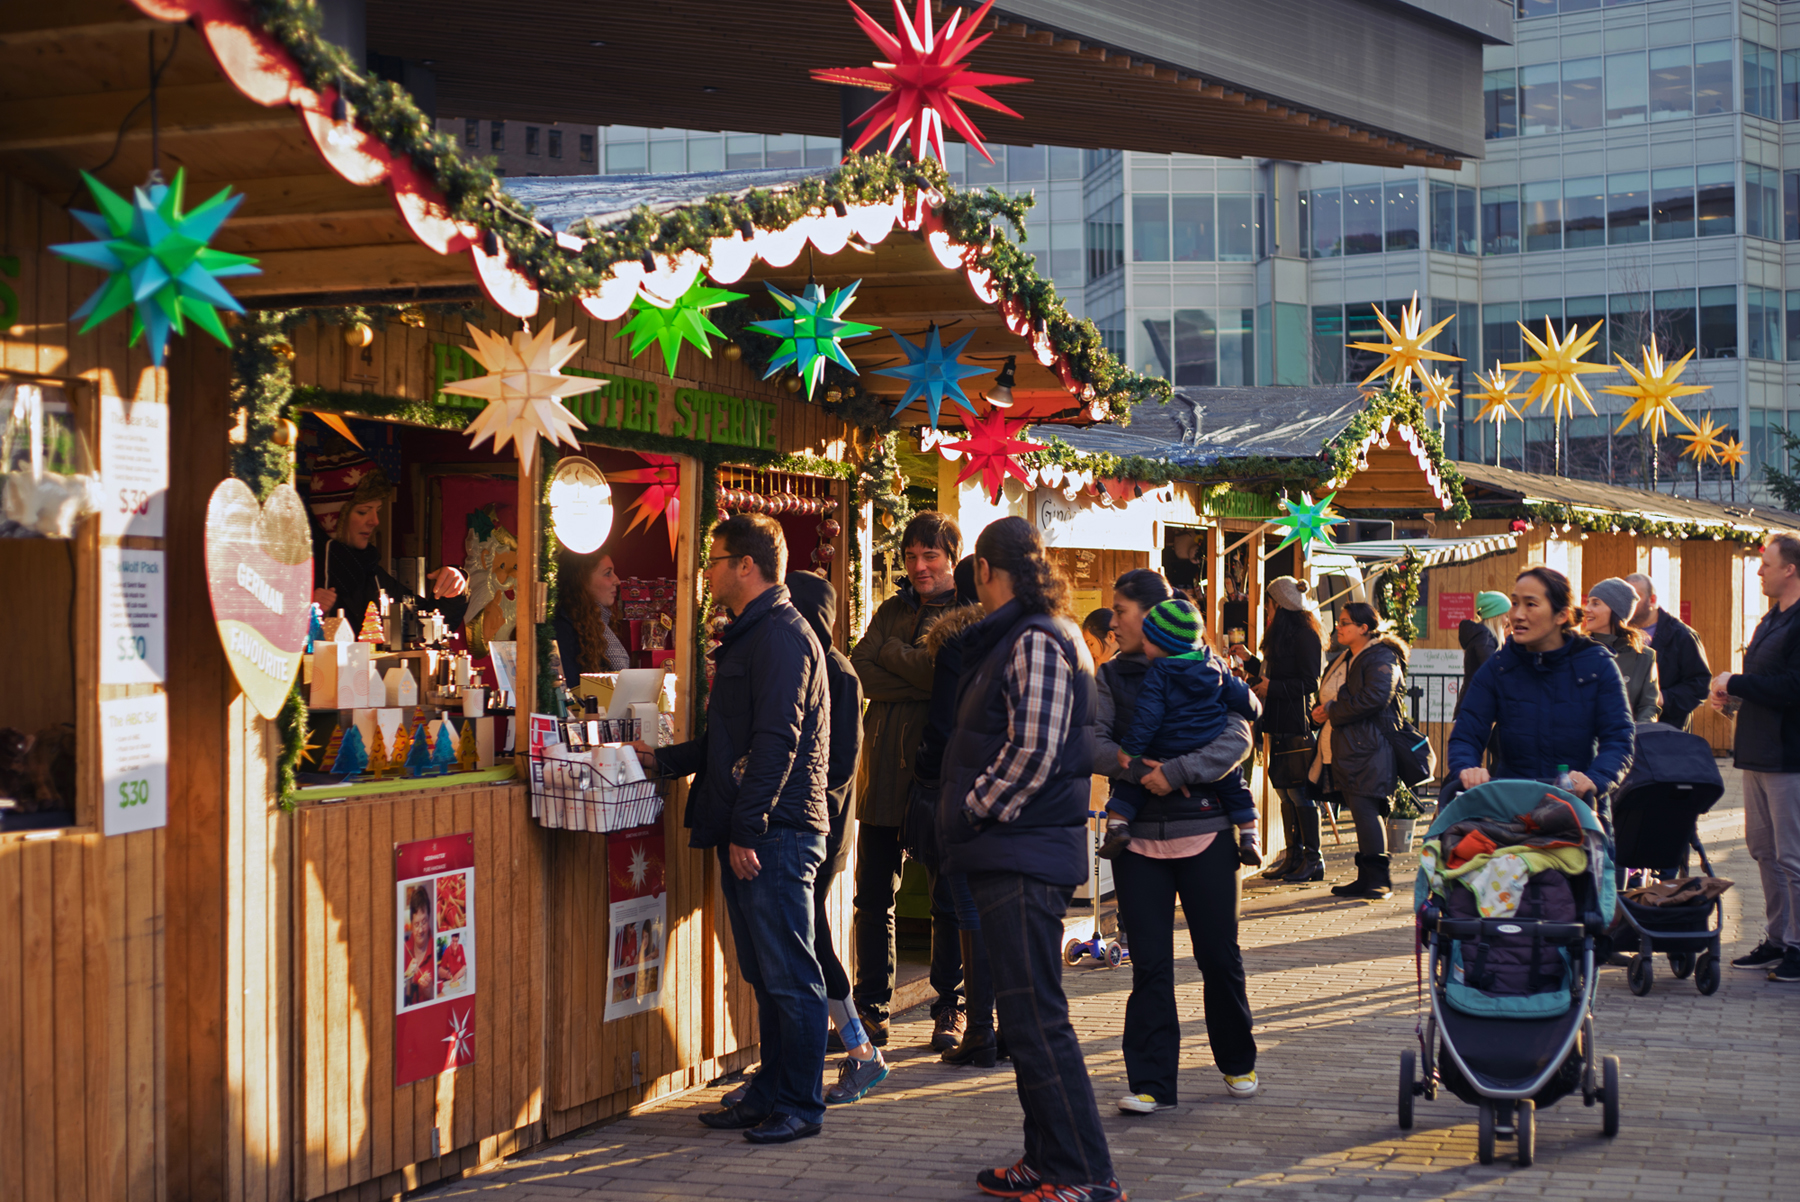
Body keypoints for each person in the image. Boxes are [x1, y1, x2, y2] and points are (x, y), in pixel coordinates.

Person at [938, 517, 1122, 1202]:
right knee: (1024, 1018)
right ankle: (1048, 1158)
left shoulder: (1038, 638)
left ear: (988, 570)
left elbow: (1035, 751)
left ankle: (1083, 1172)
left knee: (1038, 1018)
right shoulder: (1030, 633)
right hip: (1017, 847)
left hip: (1022, 849)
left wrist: (975, 805)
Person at [648, 514, 831, 1144]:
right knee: (767, 975)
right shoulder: (757, 632)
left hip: (775, 833)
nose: (707, 571)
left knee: (790, 975)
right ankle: (772, 1092)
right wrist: (666, 762)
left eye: (715, 558)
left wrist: (748, 829)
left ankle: (801, 1105)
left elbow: (776, 742)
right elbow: (731, 739)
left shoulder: (780, 636)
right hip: (760, 827)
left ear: (745, 567)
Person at [1095, 568, 1262, 1117]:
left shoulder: (1211, 667)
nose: (1113, 621)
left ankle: (1237, 1060)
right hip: (1137, 838)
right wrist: (1136, 766)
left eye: (1120, 610)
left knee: (1218, 955)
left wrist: (1177, 771)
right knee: (1150, 965)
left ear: (1150, 614)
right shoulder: (1111, 676)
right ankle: (1150, 1083)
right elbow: (1093, 740)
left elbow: (1239, 737)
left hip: (1207, 828)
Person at [850, 512, 970, 1052]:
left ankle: (951, 1005)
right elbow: (858, 670)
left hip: (936, 778)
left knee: (948, 899)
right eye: (912, 557)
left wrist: (900, 664)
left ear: (952, 556)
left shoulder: (969, 615)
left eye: (931, 556)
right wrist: (919, 670)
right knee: (873, 899)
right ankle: (871, 1009)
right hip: (880, 782)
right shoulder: (891, 609)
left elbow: (938, 675)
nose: (920, 567)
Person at [782, 570, 889, 1100]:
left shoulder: (838, 673)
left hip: (819, 830)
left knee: (811, 939)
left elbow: (839, 764)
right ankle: (854, 1048)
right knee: (806, 937)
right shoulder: (805, 662)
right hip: (815, 826)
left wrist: (807, 818)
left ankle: (861, 1050)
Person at [1448, 566, 1635, 828]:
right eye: (1514, 603)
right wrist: (1468, 767)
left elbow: (1618, 737)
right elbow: (1467, 733)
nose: (1517, 614)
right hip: (1512, 812)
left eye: (1531, 604)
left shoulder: (1597, 665)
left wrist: (1597, 778)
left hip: (1578, 812)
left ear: (1562, 615)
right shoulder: (1499, 667)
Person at [914, 557, 999, 1067]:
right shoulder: (1021, 638)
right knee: (1003, 913)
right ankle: (1000, 1029)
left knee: (967, 908)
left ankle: (980, 1031)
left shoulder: (954, 643)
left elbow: (943, 724)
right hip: (1015, 795)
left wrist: (928, 767)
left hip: (964, 788)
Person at [1101, 597, 1260, 860]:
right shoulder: (1216, 666)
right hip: (1207, 742)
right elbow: (1244, 699)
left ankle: (1117, 827)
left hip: (1166, 748)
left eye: (1148, 640)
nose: (1143, 643)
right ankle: (1249, 835)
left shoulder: (1158, 675)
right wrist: (1254, 710)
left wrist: (1130, 750)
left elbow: (1147, 718)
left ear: (1165, 646)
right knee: (1234, 784)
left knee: (1129, 786)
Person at [1711, 535, 1800, 982]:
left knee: (1793, 856)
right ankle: (1778, 939)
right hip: (1758, 753)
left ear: (1790, 570)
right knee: (1764, 851)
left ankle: (1798, 948)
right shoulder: (1771, 619)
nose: (1759, 571)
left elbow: (1792, 688)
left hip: (1790, 757)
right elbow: (1764, 685)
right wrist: (1731, 699)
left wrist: (1737, 682)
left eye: (1766, 564)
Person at [1310, 602, 1409, 900]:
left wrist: (1333, 709)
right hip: (1353, 747)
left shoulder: (1381, 655)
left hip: (1371, 747)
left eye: (1345, 623)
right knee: (1361, 810)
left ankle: (1380, 880)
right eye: (1339, 622)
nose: (1338, 627)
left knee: (1367, 810)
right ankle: (1366, 878)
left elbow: (1375, 697)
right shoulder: (1351, 656)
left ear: (1364, 628)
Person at [309, 463, 468, 629]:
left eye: (377, 510)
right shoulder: (301, 569)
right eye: (363, 511)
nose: (375, 521)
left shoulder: (369, 571)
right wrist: (304, 612)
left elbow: (426, 624)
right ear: (332, 518)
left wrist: (455, 587)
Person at [1254, 576, 1326, 883]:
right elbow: (1278, 673)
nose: (1266, 608)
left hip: (1296, 721)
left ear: (1278, 604)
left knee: (1298, 791)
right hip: (1278, 719)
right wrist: (1250, 663)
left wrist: (1274, 687)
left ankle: (1314, 859)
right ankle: (1293, 856)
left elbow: (1311, 683)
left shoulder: (1305, 634)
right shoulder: (1280, 634)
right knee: (1284, 790)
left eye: (1269, 602)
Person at [1626, 573, 1712, 730]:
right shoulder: (1617, 634)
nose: (1628, 604)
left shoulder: (1682, 636)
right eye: (1625, 598)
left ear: (1652, 600)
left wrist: (1662, 698)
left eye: (1635, 597)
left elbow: (1700, 686)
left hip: (1668, 733)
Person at [1583, 576, 1660, 723]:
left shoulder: (1644, 656)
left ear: (1615, 610)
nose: (1587, 609)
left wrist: (1636, 737)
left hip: (1625, 741)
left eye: (1595, 603)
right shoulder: (1576, 650)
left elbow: (1648, 706)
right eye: (1588, 602)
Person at [554, 550, 630, 684]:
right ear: (582, 581)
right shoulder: (563, 628)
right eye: (608, 573)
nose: (617, 581)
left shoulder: (599, 622)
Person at [1455, 591, 1510, 717]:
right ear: (1495, 616)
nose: (1507, 621)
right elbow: (1493, 671)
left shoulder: (1484, 637)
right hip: (1476, 709)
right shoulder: (1484, 638)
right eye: (1506, 616)